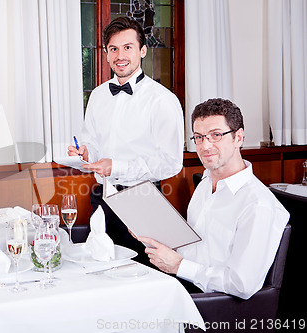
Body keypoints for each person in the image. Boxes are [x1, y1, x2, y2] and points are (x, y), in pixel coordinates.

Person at [135, 98, 289, 299]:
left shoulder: (258, 205)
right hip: (180, 286)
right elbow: (196, 249)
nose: (205, 146)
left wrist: (179, 266)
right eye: (199, 137)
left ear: (238, 138)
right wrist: (150, 233)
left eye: (216, 135)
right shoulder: (206, 183)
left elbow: (242, 284)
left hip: (212, 304)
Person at [67, 16, 184, 259]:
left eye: (127, 47)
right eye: (114, 49)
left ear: (142, 50)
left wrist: (116, 166)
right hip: (103, 196)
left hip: (143, 201)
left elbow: (171, 162)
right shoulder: (98, 96)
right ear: (106, 53)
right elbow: (94, 142)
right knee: (99, 268)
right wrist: (86, 152)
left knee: (143, 276)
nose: (120, 55)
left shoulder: (162, 100)